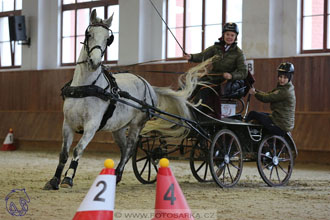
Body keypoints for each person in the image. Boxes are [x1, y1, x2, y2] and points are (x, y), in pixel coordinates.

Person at [183, 22, 247, 119]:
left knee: (204, 90)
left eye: (232, 35)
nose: (229, 37)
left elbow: (243, 72)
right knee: (191, 83)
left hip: (226, 82)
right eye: (227, 34)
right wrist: (191, 57)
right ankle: (182, 105)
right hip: (213, 77)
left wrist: (231, 75)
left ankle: (198, 112)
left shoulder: (238, 53)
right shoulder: (216, 48)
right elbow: (202, 55)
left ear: (236, 37)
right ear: (223, 35)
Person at [245, 62, 296, 136]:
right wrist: (256, 91)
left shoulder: (285, 91)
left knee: (253, 114)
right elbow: (268, 94)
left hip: (280, 124)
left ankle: (244, 135)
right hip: (280, 120)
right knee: (261, 115)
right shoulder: (285, 87)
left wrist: (254, 93)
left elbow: (266, 98)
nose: (282, 80)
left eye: (285, 78)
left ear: (290, 78)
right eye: (280, 77)